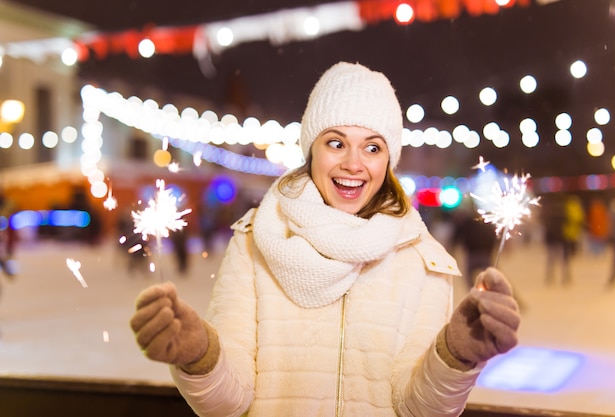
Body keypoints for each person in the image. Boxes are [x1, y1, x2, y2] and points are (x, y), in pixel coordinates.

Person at [130, 62, 520, 417]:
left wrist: (454, 356)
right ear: (311, 148)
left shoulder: (422, 259)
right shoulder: (254, 244)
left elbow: (419, 408)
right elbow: (229, 402)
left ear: (389, 160)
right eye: (336, 142)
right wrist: (200, 355)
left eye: (372, 147)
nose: (353, 163)